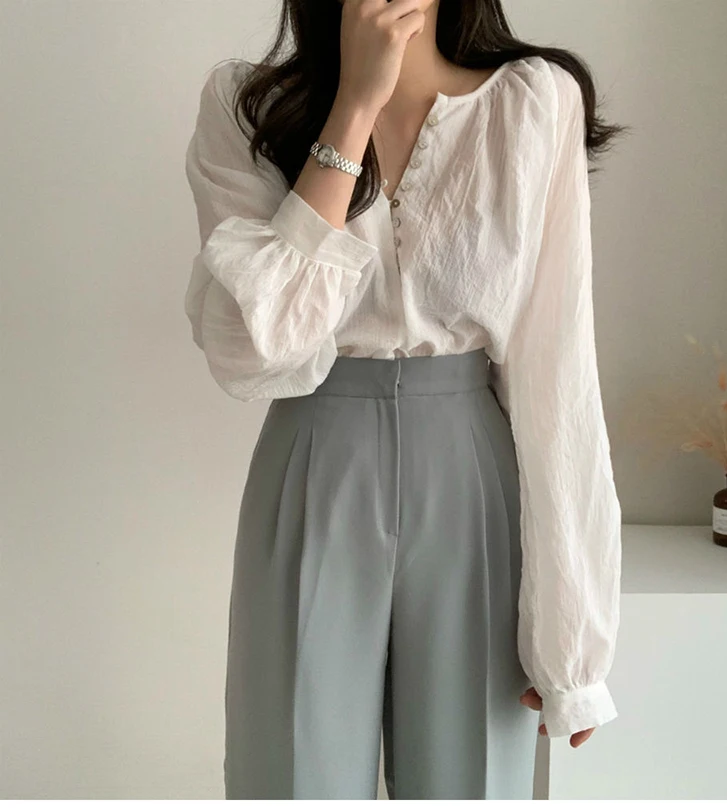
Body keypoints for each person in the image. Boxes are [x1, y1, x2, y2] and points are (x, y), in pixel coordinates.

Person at [183, 0, 626, 800]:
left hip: (471, 469)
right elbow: (254, 347)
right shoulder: (246, 106)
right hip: (315, 457)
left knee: (470, 783)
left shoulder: (531, 102)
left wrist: (573, 643)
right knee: (293, 775)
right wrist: (354, 106)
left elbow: (557, 367)